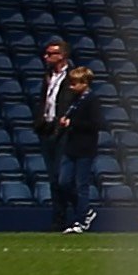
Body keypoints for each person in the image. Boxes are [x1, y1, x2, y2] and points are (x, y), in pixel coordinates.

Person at [34, 40, 95, 228]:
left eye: (51, 54)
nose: (46, 57)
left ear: (62, 56)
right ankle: (59, 220)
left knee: (62, 179)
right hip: (47, 129)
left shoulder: (73, 77)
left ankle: (82, 212)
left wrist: (69, 123)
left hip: (64, 132)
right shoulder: (47, 76)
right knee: (54, 180)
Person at [49, 63, 107, 230]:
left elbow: (98, 123)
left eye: (75, 83)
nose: (72, 87)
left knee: (82, 185)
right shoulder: (75, 100)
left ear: (85, 83)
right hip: (71, 147)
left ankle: (80, 221)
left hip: (85, 148)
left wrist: (73, 123)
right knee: (63, 182)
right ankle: (85, 211)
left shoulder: (92, 100)